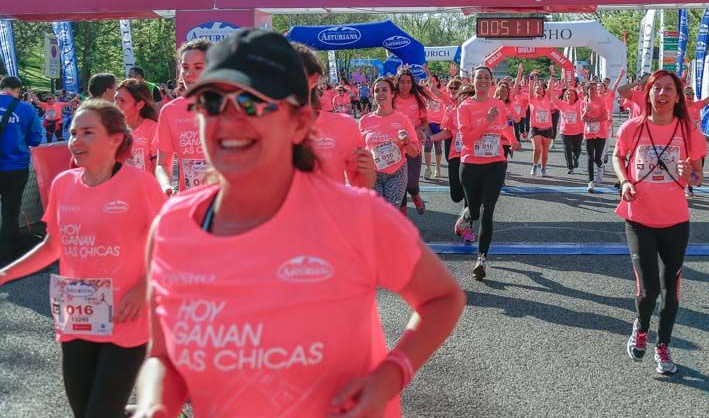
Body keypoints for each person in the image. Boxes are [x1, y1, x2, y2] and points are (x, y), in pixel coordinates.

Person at [129, 29, 465, 418]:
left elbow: (442, 298)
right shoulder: (173, 225)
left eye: (253, 104)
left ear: (300, 122)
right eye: (212, 101)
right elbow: (163, 356)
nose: (230, 119)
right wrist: (154, 406)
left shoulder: (354, 215)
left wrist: (391, 374)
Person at [0, 100, 165, 417]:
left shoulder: (139, 184)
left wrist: (144, 287)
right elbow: (52, 247)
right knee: (85, 411)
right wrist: (4, 274)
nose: (75, 141)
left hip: (126, 316)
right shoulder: (63, 184)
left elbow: (170, 245)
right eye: (73, 133)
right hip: (78, 316)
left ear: (116, 138)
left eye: (88, 132)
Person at [613, 69, 707, 376]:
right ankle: (641, 326)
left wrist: (688, 172)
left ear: (678, 97)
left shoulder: (689, 131)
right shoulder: (632, 128)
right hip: (638, 217)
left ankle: (662, 345)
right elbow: (618, 156)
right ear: (647, 94)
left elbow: (698, 178)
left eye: (669, 89)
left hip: (676, 221)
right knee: (648, 290)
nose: (663, 94)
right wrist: (625, 181)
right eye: (657, 89)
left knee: (671, 291)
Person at [292, 43, 375, 188]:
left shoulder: (344, 126)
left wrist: (367, 171)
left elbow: (361, 183)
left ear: (313, 80)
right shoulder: (260, 124)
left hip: (330, 209)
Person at [457, 66, 509, 280]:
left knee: (488, 213)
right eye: (479, 77)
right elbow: (468, 140)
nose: (483, 81)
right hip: (470, 165)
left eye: (487, 77)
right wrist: (487, 121)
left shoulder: (498, 104)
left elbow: (502, 128)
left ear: (491, 81)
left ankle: (481, 259)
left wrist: (510, 139)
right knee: (475, 211)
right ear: (474, 80)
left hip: (495, 163)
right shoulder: (465, 106)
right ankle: (467, 214)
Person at [155, 39, 210, 196]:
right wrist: (166, 186)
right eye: (185, 67)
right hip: (188, 202)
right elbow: (162, 164)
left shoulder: (231, 107)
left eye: (198, 67)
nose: (189, 74)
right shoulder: (170, 111)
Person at [0, 76, 44, 262]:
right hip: (15, 168)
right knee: (10, 210)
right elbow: (35, 139)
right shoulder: (25, 108)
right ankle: (6, 254)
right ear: (18, 89)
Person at [360, 77, 421, 207]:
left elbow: (414, 152)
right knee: (377, 211)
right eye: (377, 91)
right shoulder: (365, 121)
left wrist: (406, 142)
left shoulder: (403, 120)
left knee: (390, 211)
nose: (380, 94)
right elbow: (358, 148)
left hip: (396, 173)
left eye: (384, 90)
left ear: (392, 94)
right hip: (373, 174)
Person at [428, 83, 476, 243]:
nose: (467, 98)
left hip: (474, 158)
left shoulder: (480, 113)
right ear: (459, 98)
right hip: (456, 156)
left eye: (471, 95)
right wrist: (429, 138)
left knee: (472, 198)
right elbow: (447, 132)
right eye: (464, 95)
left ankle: (467, 227)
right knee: (456, 195)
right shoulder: (453, 112)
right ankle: (466, 213)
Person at [394, 69, 429, 214]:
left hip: (414, 146)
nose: (405, 85)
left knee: (412, 183)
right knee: (399, 186)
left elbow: (425, 123)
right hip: (396, 147)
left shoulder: (418, 99)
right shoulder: (392, 98)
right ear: (397, 82)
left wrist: (419, 130)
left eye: (408, 82)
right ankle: (403, 219)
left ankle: (415, 195)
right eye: (402, 82)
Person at [115, 78, 158, 173]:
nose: (116, 104)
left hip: (145, 187)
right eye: (115, 99)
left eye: (122, 101)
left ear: (139, 105)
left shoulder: (154, 129)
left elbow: (159, 168)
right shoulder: (110, 129)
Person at [527, 72, 557, 177]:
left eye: (540, 88)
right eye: (537, 88)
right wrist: (531, 78)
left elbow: (551, 85)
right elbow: (530, 87)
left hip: (547, 128)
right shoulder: (532, 99)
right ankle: (535, 165)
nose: (538, 89)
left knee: (545, 151)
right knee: (538, 149)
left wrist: (552, 74)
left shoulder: (547, 98)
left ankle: (543, 168)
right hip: (535, 128)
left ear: (544, 91)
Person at [555, 87, 585, 174]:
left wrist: (584, 78)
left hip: (578, 131)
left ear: (575, 96)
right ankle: (570, 167)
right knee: (567, 149)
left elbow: (586, 97)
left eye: (572, 94)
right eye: (568, 94)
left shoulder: (579, 103)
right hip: (565, 131)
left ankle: (575, 158)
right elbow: (553, 98)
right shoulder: (562, 104)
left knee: (577, 148)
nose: (569, 96)